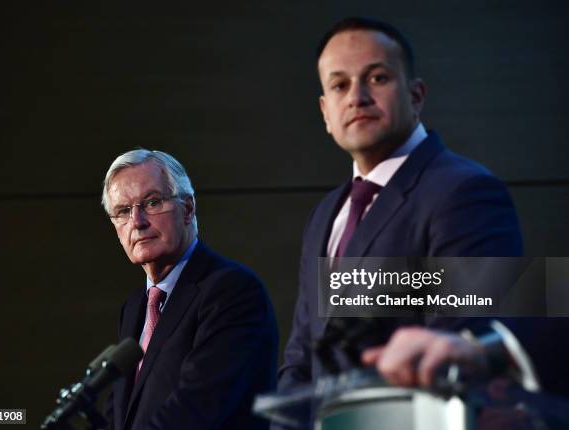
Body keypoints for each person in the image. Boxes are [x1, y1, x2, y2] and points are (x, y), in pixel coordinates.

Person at [277, 16, 526, 420]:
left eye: (377, 78)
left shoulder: (467, 193)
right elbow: (302, 356)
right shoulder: (326, 214)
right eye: (339, 85)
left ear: (416, 95)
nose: (357, 97)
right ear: (325, 112)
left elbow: (466, 345)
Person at [101, 149, 278, 430]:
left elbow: (196, 409)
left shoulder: (232, 291)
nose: (137, 221)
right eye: (123, 211)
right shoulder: (135, 307)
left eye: (152, 202)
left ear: (187, 209)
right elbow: (120, 415)